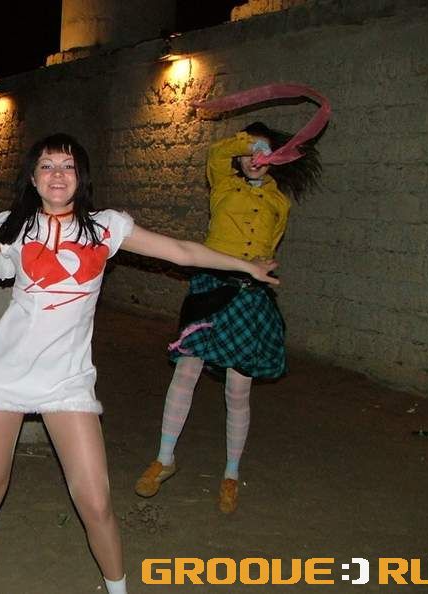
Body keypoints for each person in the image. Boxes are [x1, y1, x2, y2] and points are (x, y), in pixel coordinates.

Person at [0, 133, 279, 593]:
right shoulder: (13, 228)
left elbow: (182, 251)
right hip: (5, 376)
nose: (58, 174)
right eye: (48, 166)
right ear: (34, 179)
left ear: (81, 177)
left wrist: (245, 266)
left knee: (96, 502)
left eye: (68, 166)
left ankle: (118, 589)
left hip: (67, 381)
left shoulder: (107, 228)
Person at [135, 122, 322, 513]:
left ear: (275, 160)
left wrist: (261, 266)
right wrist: (249, 142)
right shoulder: (222, 182)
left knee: (238, 388)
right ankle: (164, 459)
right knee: (186, 370)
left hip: (248, 294)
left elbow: (269, 246)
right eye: (249, 153)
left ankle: (231, 474)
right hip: (212, 286)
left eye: (264, 153)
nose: (254, 159)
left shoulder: (278, 202)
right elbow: (217, 153)